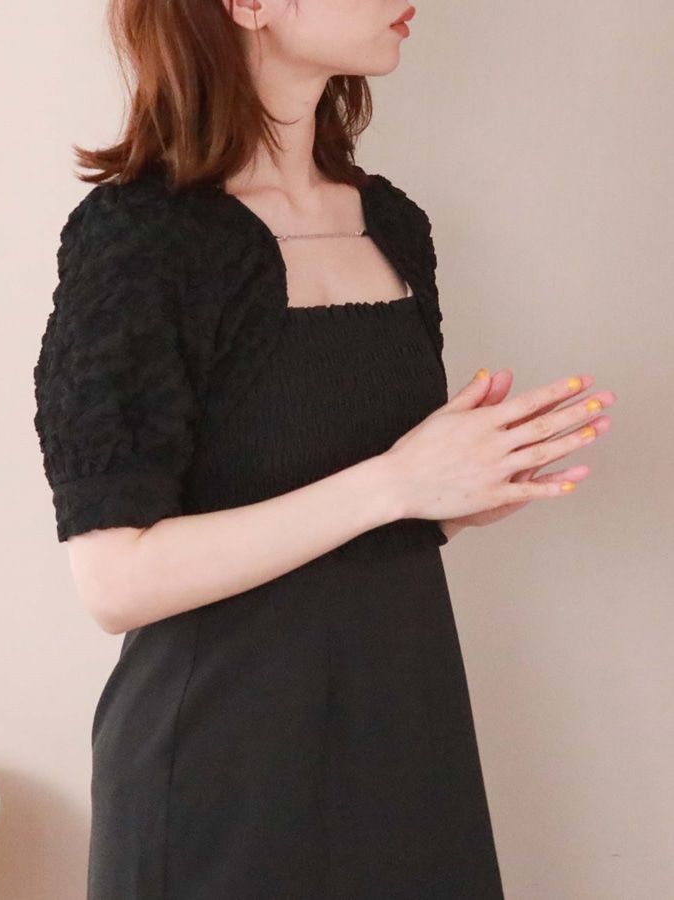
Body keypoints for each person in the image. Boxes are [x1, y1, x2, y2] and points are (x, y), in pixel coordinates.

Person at [33, 1, 616, 897]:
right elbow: (116, 582)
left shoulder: (392, 223)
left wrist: (457, 496)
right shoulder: (139, 239)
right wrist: (398, 484)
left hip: (409, 738)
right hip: (224, 775)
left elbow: (351, 514)